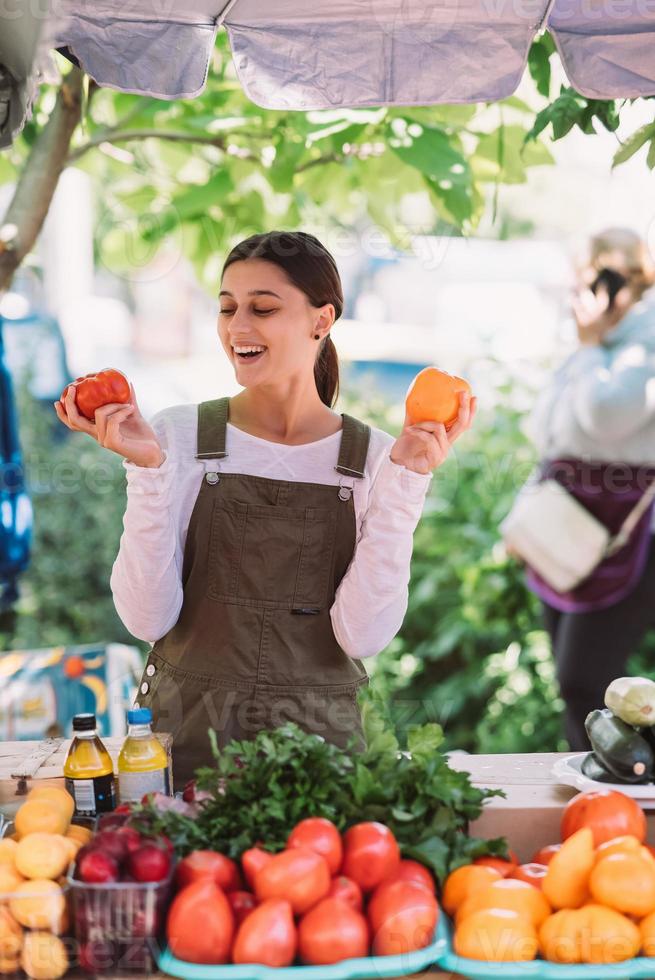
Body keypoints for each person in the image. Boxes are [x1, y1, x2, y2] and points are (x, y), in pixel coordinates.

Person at [54, 231, 476, 787]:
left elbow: (362, 636)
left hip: (322, 752)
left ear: (321, 321)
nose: (237, 328)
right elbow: (146, 619)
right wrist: (148, 472)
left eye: (263, 308)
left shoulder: (376, 458)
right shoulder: (177, 437)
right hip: (185, 741)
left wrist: (407, 484)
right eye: (227, 309)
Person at [522, 228, 655, 749]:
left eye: (613, 277)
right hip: (571, 522)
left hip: (623, 530)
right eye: (590, 277)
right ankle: (597, 787)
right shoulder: (601, 341)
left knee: (588, 680)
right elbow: (549, 433)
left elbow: (604, 417)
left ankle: (617, 794)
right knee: (573, 680)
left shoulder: (639, 339)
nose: (597, 291)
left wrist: (590, 346)